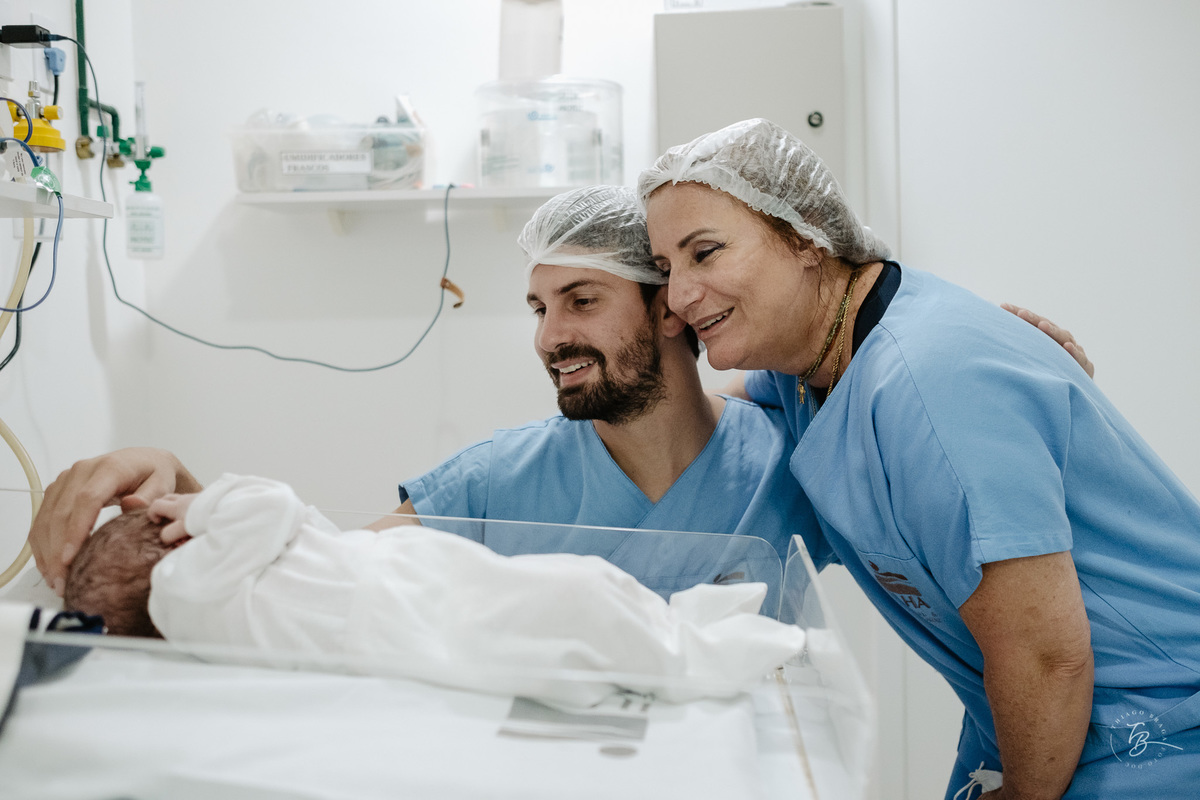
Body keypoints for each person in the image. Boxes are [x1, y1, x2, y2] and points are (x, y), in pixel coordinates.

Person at [27, 187, 1091, 597]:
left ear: (670, 309)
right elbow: (320, 564)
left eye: (579, 300)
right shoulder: (500, 475)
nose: (549, 337)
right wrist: (197, 499)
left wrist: (985, 347)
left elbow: (914, 429)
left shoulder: (789, 448)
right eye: (536, 308)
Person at [639, 117, 1200, 799]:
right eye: (665, 270)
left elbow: (1047, 658)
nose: (678, 298)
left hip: (1156, 736)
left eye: (705, 253)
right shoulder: (809, 367)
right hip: (1038, 731)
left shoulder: (931, 381)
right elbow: (719, 424)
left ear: (806, 237)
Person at [61, 472, 804, 706]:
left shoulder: (236, 598)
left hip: (410, 590)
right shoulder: (187, 593)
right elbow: (273, 503)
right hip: (410, 606)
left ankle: (677, 639)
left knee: (573, 597)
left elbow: (305, 526)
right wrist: (206, 506)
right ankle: (686, 658)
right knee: (574, 596)